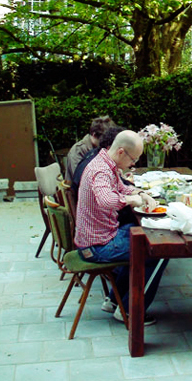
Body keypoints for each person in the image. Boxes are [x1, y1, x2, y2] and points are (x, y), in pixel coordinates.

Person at [74, 129, 167, 325]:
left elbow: (122, 187)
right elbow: (107, 200)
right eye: (134, 159)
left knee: (140, 234)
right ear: (121, 152)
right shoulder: (101, 170)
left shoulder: (105, 162)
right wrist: (131, 200)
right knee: (157, 251)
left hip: (101, 238)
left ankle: (113, 300)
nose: (134, 164)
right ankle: (129, 311)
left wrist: (141, 193)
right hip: (97, 246)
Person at [65, 115, 116, 182]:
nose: (106, 143)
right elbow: (79, 179)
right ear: (94, 135)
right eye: (103, 139)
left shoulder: (100, 148)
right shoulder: (78, 151)